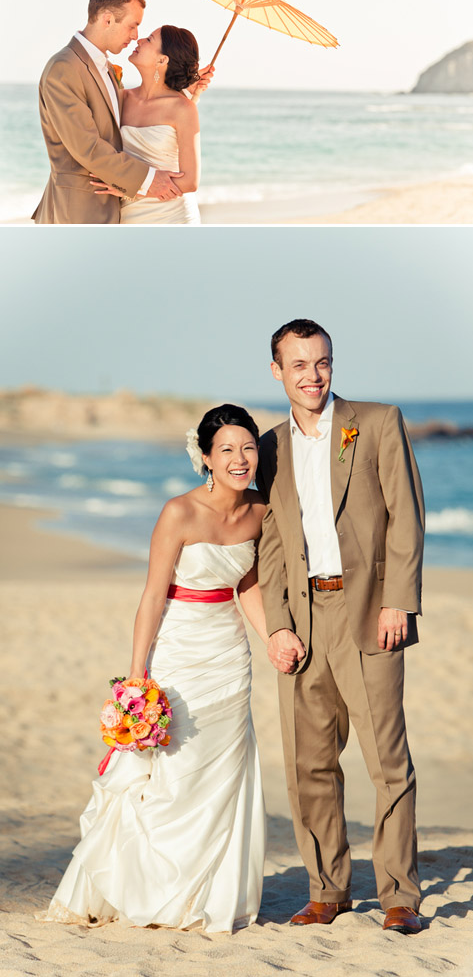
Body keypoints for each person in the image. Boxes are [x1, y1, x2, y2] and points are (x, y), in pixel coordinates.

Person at [41, 405, 290, 931]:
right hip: (177, 647)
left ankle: (210, 895)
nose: (240, 459)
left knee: (224, 767)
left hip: (229, 651)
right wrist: (136, 678)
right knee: (173, 771)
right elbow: (153, 595)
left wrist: (273, 639)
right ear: (205, 458)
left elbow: (245, 584)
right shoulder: (178, 512)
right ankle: (151, 886)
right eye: (227, 450)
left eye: (248, 448)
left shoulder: (260, 512)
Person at [256, 319, 425, 935]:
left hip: (369, 614)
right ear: (277, 372)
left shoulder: (377, 422)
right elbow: (271, 545)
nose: (313, 374)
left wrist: (398, 602)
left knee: (388, 763)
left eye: (322, 361)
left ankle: (399, 896)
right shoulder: (269, 446)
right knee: (310, 765)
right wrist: (276, 625)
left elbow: (406, 514)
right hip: (303, 622)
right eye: (299, 365)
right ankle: (327, 891)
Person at [33, 0, 212, 224]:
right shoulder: (65, 67)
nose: (137, 36)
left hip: (152, 215)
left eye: (146, 36)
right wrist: (144, 183)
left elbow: (156, 125)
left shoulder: (108, 71)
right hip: (77, 210)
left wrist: (188, 95)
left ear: (163, 60)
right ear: (107, 20)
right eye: (134, 26)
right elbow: (87, 147)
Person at [92, 25, 202, 225]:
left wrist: (131, 187)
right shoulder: (121, 97)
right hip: (129, 218)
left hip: (173, 218)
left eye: (150, 39)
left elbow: (190, 181)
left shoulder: (183, 108)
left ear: (162, 60)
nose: (139, 40)